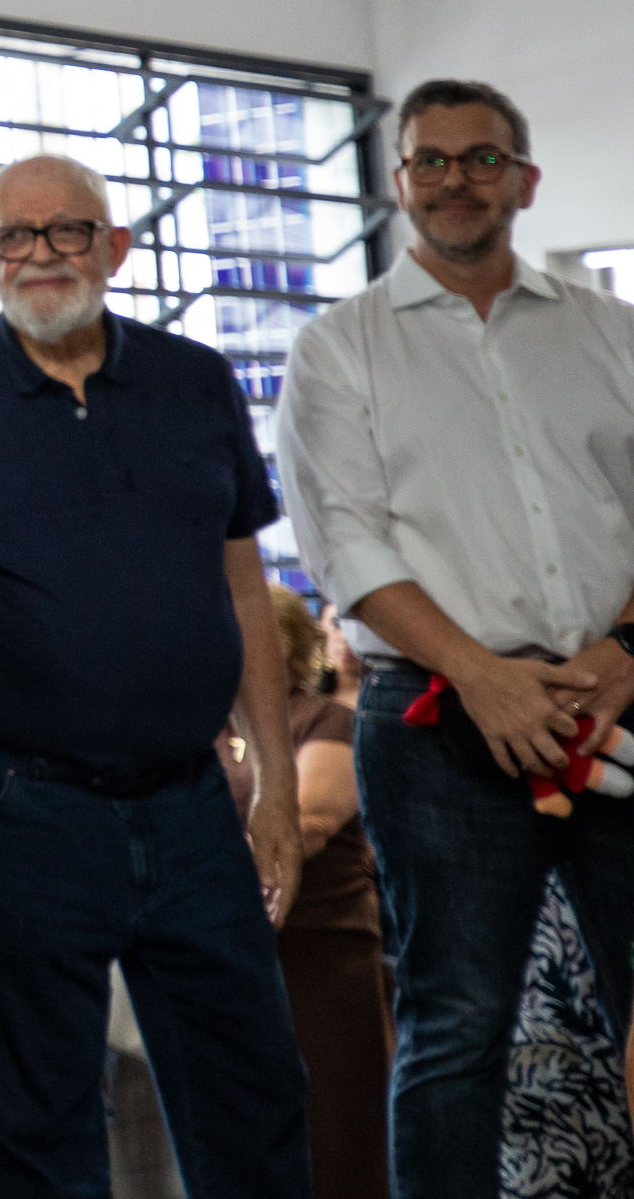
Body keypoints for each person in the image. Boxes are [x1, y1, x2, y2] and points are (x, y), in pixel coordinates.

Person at [0, 154, 309, 1198]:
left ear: (114, 245)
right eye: (16, 236)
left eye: (67, 230)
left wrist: (279, 784)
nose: (42, 254)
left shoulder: (194, 382)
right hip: (9, 810)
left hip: (193, 801)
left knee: (253, 1101)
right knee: (39, 1126)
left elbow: (245, 588)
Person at [277, 77, 634, 1199]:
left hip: (617, 697)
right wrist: (482, 675)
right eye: (429, 160)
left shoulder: (609, 330)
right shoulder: (339, 347)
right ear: (398, 184)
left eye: (483, 158)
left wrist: (625, 651)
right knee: (456, 1021)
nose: (454, 180)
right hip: (436, 719)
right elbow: (346, 544)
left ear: (525, 180)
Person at [216, 587, 390, 1199]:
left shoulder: (325, 718)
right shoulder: (202, 731)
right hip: (231, 951)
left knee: (338, 1128)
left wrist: (191, 861)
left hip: (320, 945)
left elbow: (307, 821)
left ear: (286, 645)